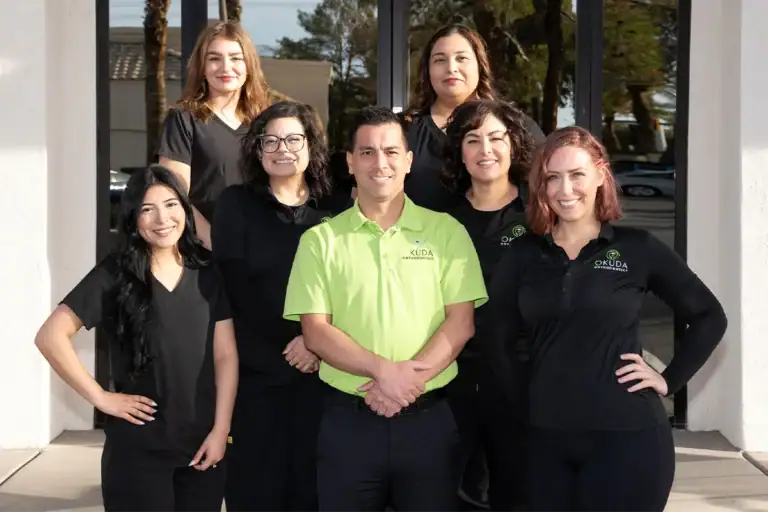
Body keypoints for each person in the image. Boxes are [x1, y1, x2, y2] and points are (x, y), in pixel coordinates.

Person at [481, 126, 727, 512]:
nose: (565, 189)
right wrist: (525, 398)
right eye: (552, 177)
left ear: (600, 175)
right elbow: (496, 336)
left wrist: (669, 379)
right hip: (542, 443)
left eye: (577, 175)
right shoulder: (523, 254)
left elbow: (709, 316)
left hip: (629, 440)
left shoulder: (637, 248)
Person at [282, 106, 488, 512]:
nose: (380, 163)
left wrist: (405, 384)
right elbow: (315, 331)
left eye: (391, 151)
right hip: (348, 426)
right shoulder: (320, 241)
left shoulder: (447, 232)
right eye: (367, 152)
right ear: (350, 162)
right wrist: (384, 373)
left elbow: (461, 323)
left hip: (429, 423)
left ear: (408, 161)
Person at [34, 165, 239, 512]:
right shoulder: (115, 273)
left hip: (203, 449)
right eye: (148, 209)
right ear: (133, 218)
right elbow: (50, 336)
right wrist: (101, 397)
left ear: (185, 210)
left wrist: (221, 431)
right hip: (137, 453)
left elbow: (226, 357)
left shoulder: (208, 272)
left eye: (171, 205)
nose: (162, 218)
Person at [212, 101, 350, 512]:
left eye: (293, 139)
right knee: (257, 490)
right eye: (269, 140)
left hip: (325, 375)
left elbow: (350, 286)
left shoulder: (338, 207)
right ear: (256, 150)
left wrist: (315, 342)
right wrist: (297, 341)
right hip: (258, 374)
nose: (282, 149)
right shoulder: (236, 204)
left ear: (311, 146)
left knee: (315, 491)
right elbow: (234, 288)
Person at [441, 98, 536, 511]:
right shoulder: (440, 221)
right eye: (472, 140)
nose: (486, 150)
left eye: (497, 138)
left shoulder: (542, 216)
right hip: (454, 383)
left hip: (526, 383)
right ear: (459, 152)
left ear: (513, 145)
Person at [402, 24, 545, 214]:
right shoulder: (403, 131)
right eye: (440, 60)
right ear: (427, 70)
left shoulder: (516, 126)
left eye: (461, 58)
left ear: (480, 65)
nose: (451, 68)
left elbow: (547, 187)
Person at [158, 20, 270, 248]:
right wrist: (217, 245)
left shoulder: (265, 124)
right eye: (214, 58)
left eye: (236, 58)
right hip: (204, 252)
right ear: (202, 67)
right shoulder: (183, 120)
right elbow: (174, 196)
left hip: (258, 249)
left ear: (249, 65)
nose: (226, 67)